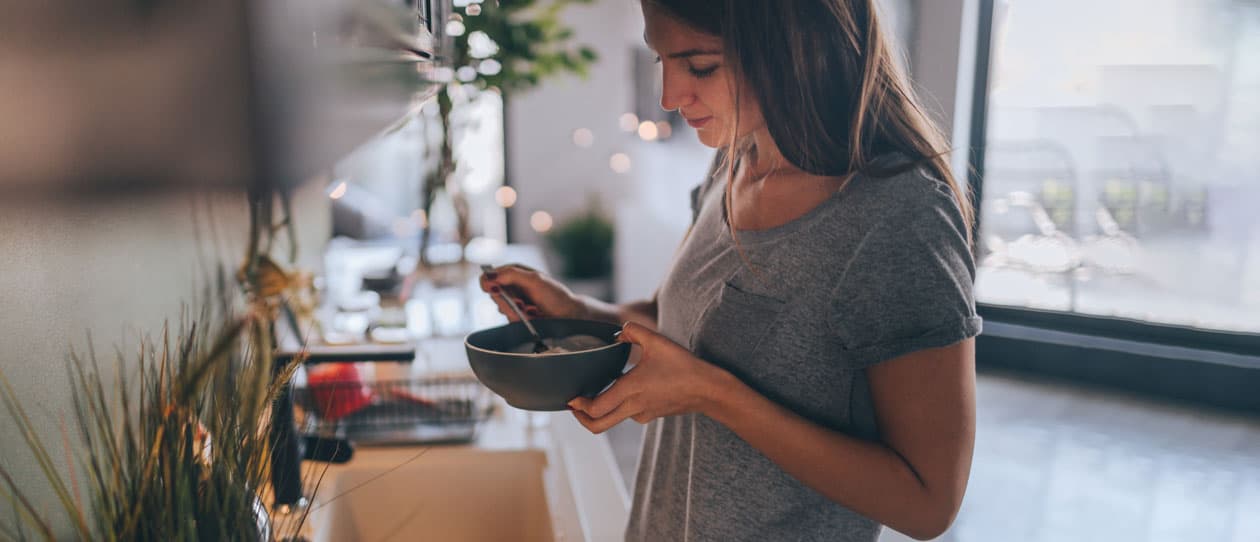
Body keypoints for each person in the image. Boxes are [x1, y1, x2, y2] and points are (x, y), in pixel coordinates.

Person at [480, 1, 980, 540]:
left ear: (797, 47)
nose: (671, 97)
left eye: (700, 66)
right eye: (661, 61)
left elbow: (929, 503)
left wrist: (714, 396)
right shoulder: (736, 158)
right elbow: (682, 321)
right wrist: (580, 314)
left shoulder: (899, 218)